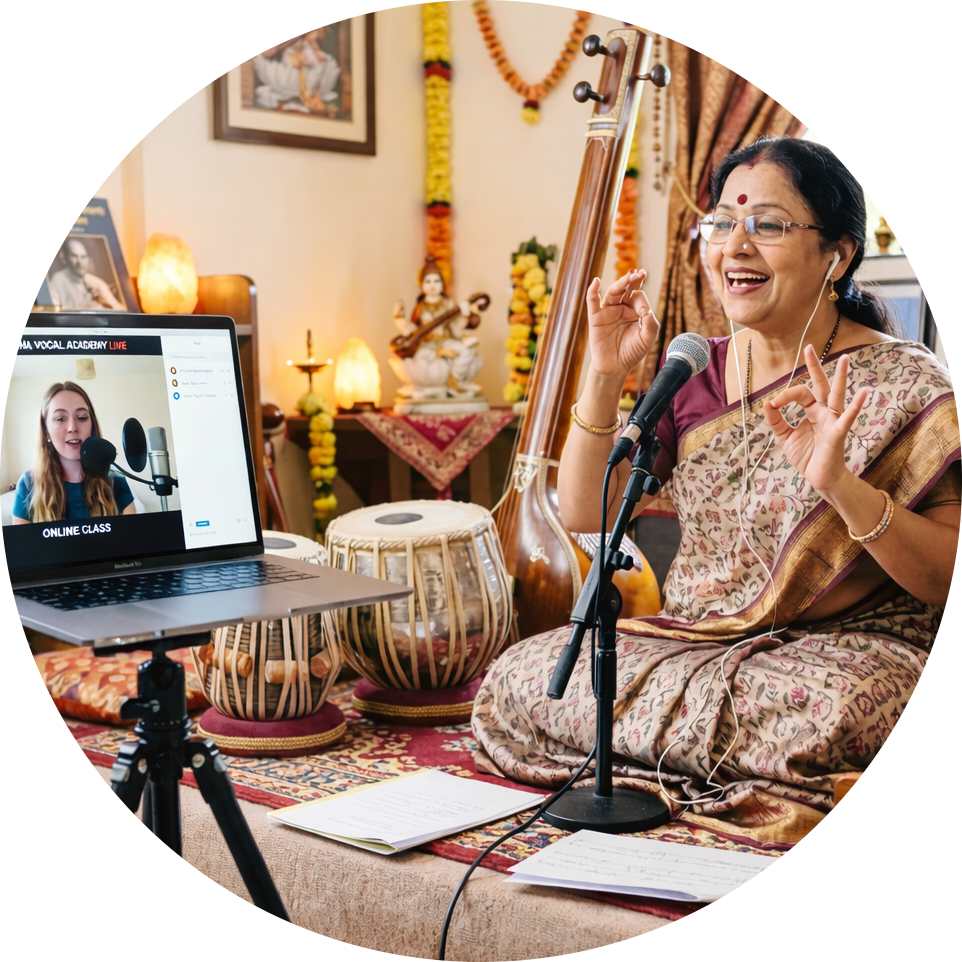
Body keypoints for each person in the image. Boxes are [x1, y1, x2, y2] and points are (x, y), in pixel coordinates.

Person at [472, 137, 959, 818]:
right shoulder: (696, 369)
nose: (736, 247)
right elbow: (586, 510)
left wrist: (841, 485)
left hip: (844, 653)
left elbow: (943, 578)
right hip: (694, 640)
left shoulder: (906, 383)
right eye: (723, 224)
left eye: (767, 225)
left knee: (827, 714)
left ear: (838, 254)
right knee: (518, 678)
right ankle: (716, 769)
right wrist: (604, 372)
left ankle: (649, 758)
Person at [12, 381, 136, 524]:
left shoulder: (115, 481)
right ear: (46, 431)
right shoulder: (28, 485)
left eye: (82, 417)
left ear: (92, 426)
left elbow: (132, 535)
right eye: (60, 419)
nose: (72, 427)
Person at [390, 257, 484, 399]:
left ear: (442, 283)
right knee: (418, 362)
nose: (432, 285)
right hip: (427, 344)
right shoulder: (421, 307)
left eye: (436, 281)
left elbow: (458, 326)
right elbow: (412, 329)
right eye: (428, 281)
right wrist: (399, 319)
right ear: (421, 284)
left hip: (446, 340)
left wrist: (467, 313)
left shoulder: (448, 304)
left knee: (467, 352)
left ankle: (455, 381)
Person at [47, 238, 124, 310]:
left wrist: (105, 304)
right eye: (74, 256)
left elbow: (120, 308)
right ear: (64, 257)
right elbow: (54, 312)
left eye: (83, 257)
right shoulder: (57, 280)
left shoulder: (96, 283)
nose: (80, 262)